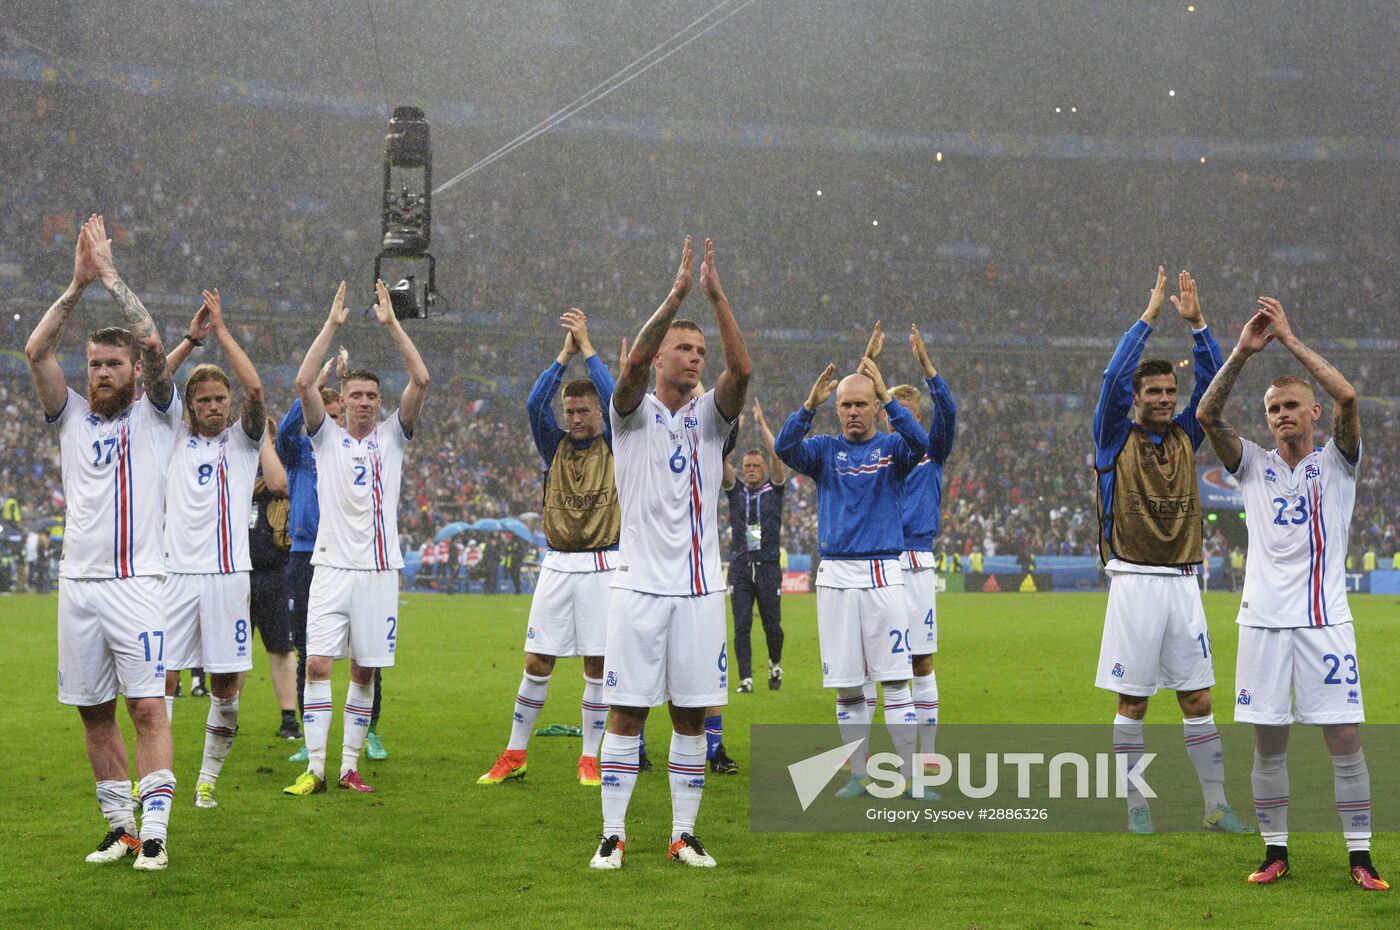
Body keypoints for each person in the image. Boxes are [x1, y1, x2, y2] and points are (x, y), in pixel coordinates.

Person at [1196, 297, 1387, 890]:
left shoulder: (1339, 462)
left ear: (1313, 414)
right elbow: (1206, 413)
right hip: (1262, 624)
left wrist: (1290, 338)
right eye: (1273, 408)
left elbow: (1350, 396)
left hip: (1325, 620)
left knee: (1344, 739)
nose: (1281, 415)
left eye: (1290, 406)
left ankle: (1361, 856)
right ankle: (1275, 851)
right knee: (1268, 743)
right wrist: (1243, 352)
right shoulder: (1251, 465)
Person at [589, 237, 751, 870]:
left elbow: (742, 374)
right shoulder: (630, 414)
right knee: (626, 711)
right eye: (684, 348)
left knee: (690, 716)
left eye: (700, 351)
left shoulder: (712, 419)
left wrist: (717, 299)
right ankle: (612, 833)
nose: (696, 357)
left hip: (700, 591)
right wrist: (677, 296)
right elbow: (627, 372)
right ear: (660, 356)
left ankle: (683, 833)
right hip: (638, 589)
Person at [26, 214, 179, 869]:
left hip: (138, 584)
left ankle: (157, 833)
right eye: (94, 364)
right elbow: (35, 352)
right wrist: (76, 284)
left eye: (113, 364)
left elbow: (152, 339)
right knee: (93, 713)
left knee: (147, 706)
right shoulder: (72, 419)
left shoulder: (156, 412)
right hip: (78, 587)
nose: (102, 373)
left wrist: (111, 278)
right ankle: (120, 828)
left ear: (135, 371)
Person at [1093, 267, 1248, 835]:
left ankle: (1215, 805)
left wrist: (1200, 326)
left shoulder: (1187, 433)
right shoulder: (1113, 437)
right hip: (1134, 581)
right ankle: (1137, 805)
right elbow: (1111, 380)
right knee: (1133, 703)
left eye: (1168, 392)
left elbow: (1213, 384)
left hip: (1184, 582)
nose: (1162, 399)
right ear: (1136, 399)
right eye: (1152, 392)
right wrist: (1147, 320)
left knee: (1198, 700)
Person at [283, 280, 428, 796]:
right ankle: (315, 769)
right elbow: (303, 382)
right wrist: (332, 325)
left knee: (364, 673)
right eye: (356, 396)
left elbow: (422, 377)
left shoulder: (393, 437)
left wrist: (391, 324)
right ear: (341, 402)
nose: (364, 403)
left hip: (380, 574)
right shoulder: (326, 439)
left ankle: (348, 767)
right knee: (318, 664)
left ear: (379, 402)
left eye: (371, 396)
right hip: (330, 568)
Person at [775, 354, 927, 799]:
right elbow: (785, 449)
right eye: (845, 405)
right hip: (837, 577)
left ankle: (911, 776)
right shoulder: (823, 451)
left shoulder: (891, 449)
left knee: (896, 680)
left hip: (883, 574)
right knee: (846, 685)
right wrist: (806, 406)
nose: (854, 412)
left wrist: (889, 397)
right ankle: (859, 775)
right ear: (836, 408)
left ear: (876, 407)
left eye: (863, 404)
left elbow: (920, 443)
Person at [480, 309, 618, 788]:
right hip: (558, 565)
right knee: (537, 661)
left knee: (597, 665)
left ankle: (589, 758)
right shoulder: (553, 445)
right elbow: (533, 403)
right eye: (571, 411)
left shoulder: (620, 444)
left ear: (600, 412)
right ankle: (515, 753)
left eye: (584, 411)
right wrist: (565, 354)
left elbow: (623, 399)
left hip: (605, 565)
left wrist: (591, 348)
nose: (575, 419)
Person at [157, 288, 265, 810]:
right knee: (165, 679)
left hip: (228, 576)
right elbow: (155, 386)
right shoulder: (171, 438)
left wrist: (223, 332)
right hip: (176, 575)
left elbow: (258, 389)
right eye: (203, 401)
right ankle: (160, 778)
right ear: (191, 408)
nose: (214, 407)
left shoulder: (244, 442)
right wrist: (191, 341)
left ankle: (206, 780)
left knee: (226, 684)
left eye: (220, 399)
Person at [864, 321, 957, 766]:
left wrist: (927, 368)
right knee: (867, 664)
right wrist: (870, 359)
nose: (893, 417)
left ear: (913, 416)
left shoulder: (931, 451)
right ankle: (859, 757)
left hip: (916, 563)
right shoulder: (873, 450)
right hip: (875, 561)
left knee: (920, 661)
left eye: (902, 411)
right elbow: (850, 405)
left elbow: (951, 415)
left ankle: (930, 755)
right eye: (887, 409)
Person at [721, 399, 788, 697]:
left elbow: (777, 455)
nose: (749, 470)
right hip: (739, 566)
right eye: (746, 466)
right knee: (742, 625)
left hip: (768, 566)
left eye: (755, 467)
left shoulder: (774, 490)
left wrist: (761, 425)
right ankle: (746, 678)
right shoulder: (734, 490)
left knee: (773, 626)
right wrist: (735, 428)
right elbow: (722, 459)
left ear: (763, 470)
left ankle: (775, 664)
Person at [249, 419, 300, 740]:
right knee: (234, 652)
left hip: (275, 572)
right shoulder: (232, 470)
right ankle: (227, 714)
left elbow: (279, 482)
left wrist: (265, 441)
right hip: (236, 573)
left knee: (281, 649)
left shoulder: (279, 471)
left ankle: (288, 718)